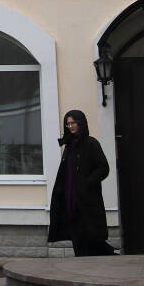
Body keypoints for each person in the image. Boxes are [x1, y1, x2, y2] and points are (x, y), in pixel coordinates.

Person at [47, 109, 117, 256]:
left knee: (92, 237)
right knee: (76, 235)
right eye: (68, 124)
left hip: (87, 200)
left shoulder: (91, 143)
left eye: (73, 123)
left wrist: (86, 183)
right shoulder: (70, 145)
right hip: (71, 199)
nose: (70, 126)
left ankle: (102, 259)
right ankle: (81, 261)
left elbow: (103, 168)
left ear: (81, 123)